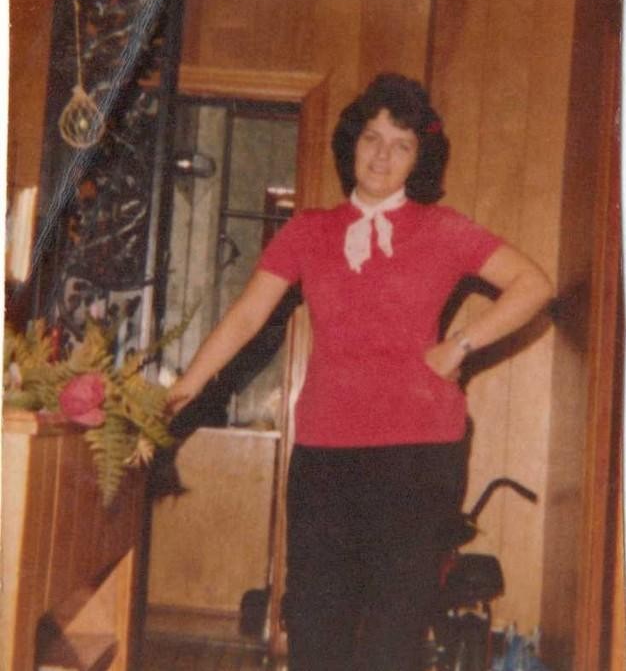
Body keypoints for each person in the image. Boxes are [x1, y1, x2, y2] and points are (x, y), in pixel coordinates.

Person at [165, 73, 553, 671]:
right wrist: (182, 391)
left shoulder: (444, 229)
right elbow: (245, 318)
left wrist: (460, 345)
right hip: (326, 451)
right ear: (351, 143)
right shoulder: (308, 231)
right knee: (316, 626)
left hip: (419, 456)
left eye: (402, 145)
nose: (382, 156)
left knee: (394, 636)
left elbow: (534, 284)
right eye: (372, 137)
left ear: (419, 159)